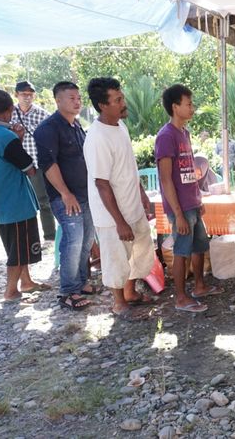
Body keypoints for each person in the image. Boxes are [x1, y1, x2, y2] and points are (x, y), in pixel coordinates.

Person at [84, 78, 155, 320]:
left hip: (131, 203)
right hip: (112, 214)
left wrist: (143, 195)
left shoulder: (120, 126)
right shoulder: (97, 137)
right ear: (103, 105)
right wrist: (119, 222)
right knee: (116, 258)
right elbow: (101, 183)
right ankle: (118, 302)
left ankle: (131, 292)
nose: (124, 103)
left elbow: (130, 167)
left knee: (139, 251)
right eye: (118, 100)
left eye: (122, 97)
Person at [0, 89, 50, 302]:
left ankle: (26, 282)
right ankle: (11, 290)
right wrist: (18, 140)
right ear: (10, 109)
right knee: (17, 251)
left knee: (19, 246)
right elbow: (29, 168)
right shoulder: (6, 136)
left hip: (0, 200)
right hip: (15, 202)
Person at [156, 84, 220, 313]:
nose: (192, 108)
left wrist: (198, 199)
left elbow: (189, 172)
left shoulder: (184, 133)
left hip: (192, 203)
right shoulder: (166, 136)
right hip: (179, 208)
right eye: (188, 104)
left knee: (199, 246)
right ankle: (181, 297)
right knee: (181, 251)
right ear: (175, 107)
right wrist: (179, 214)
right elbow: (165, 179)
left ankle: (200, 286)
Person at [34, 82, 95, 311]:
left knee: (87, 240)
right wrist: (65, 193)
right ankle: (68, 291)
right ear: (58, 100)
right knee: (73, 241)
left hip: (85, 194)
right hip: (65, 197)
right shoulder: (48, 128)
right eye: (71, 98)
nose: (77, 101)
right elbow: (48, 164)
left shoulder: (76, 126)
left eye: (79, 97)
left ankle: (80, 283)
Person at [11, 81, 56, 241]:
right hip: (16, 166)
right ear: (16, 94)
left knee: (44, 201)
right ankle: (25, 237)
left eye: (30, 94)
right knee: (21, 202)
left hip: (37, 164)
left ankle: (50, 236)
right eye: (24, 94)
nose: (27, 97)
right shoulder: (9, 114)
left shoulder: (42, 114)